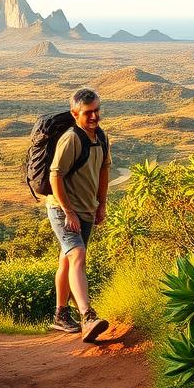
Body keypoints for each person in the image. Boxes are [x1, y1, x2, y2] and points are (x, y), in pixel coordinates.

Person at [46, 87, 110, 342]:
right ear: (75, 114)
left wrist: (101, 204)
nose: (94, 117)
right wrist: (68, 211)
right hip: (63, 209)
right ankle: (87, 315)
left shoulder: (101, 137)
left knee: (67, 260)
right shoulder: (71, 138)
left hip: (86, 209)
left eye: (97, 111)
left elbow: (104, 171)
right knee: (78, 255)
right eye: (88, 113)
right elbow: (55, 175)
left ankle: (60, 316)